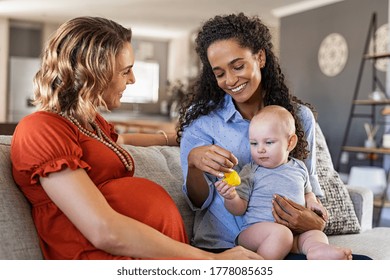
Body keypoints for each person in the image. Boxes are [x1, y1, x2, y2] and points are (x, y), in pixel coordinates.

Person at [10, 16, 262, 260]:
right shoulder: (40, 128)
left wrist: (175, 138)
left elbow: (120, 141)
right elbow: (103, 230)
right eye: (125, 71)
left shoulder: (89, 124)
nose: (132, 79)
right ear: (93, 72)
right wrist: (210, 260)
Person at [177, 13, 371, 260]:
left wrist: (313, 221)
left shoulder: (299, 117)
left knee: (361, 265)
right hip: (223, 244)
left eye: (238, 66)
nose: (231, 79)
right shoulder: (203, 120)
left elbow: (307, 184)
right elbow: (197, 201)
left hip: (288, 240)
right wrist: (194, 162)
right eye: (220, 73)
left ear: (260, 57)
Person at [215, 105, 353, 260]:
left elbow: (308, 192)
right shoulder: (251, 171)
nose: (260, 149)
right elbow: (239, 209)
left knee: (315, 234)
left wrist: (313, 202)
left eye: (268, 142)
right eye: (254, 143)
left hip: (294, 234)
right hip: (255, 233)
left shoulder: (299, 167)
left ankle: (317, 251)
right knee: (282, 234)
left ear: (290, 143)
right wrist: (231, 196)